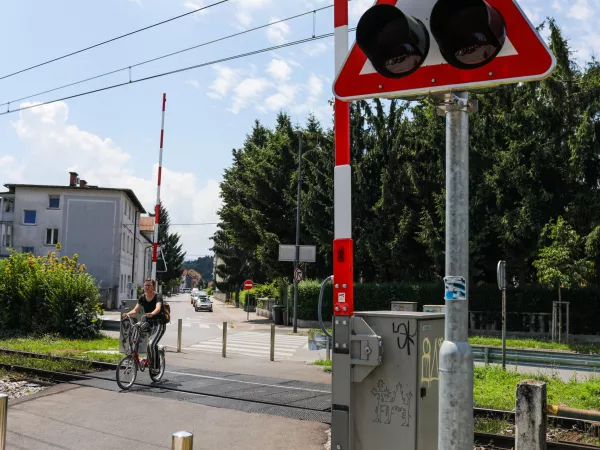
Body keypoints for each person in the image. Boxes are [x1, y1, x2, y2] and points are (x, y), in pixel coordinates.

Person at [122, 278, 166, 373]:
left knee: (151, 344)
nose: (146, 287)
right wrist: (127, 314)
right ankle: (132, 351)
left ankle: (155, 367)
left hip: (159, 323)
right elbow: (135, 310)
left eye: (149, 285)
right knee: (136, 327)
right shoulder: (142, 297)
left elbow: (158, 308)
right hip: (148, 322)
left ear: (153, 286)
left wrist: (153, 313)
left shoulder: (158, 296)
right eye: (145, 285)